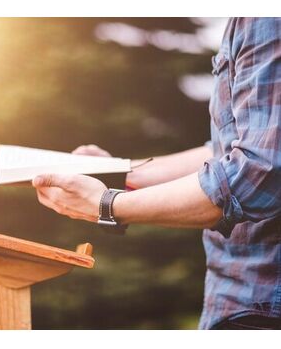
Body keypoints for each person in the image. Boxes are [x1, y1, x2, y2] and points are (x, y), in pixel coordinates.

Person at [32, 18, 281, 330]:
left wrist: (108, 205)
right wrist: (119, 171)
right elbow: (226, 152)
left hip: (262, 306)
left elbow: (258, 174)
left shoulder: (264, 19)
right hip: (245, 300)